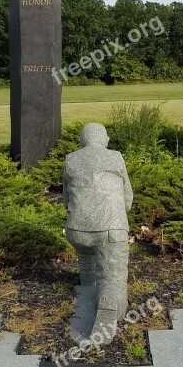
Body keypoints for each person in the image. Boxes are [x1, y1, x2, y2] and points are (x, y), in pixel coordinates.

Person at [62, 123, 133, 339]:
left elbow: (66, 200)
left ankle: (88, 284)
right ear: (106, 140)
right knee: (112, 277)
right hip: (111, 230)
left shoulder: (71, 159)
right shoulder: (116, 157)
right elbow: (127, 199)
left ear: (82, 141)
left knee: (87, 252)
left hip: (77, 230)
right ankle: (109, 304)